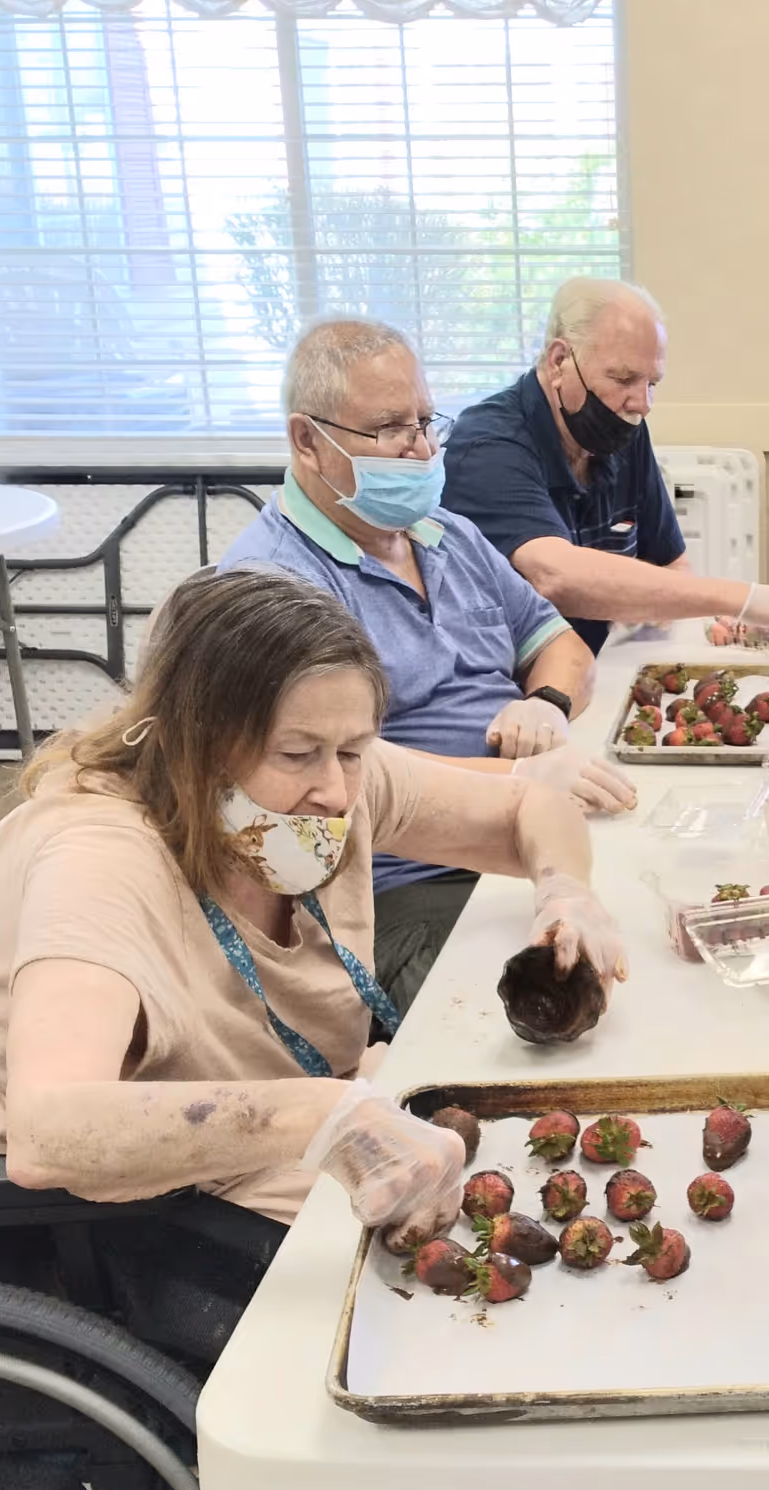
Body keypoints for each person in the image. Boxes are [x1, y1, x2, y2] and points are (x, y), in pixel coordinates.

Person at [0, 568, 626, 1277]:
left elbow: (530, 807)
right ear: (196, 742)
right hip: (67, 1221)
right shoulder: (99, 858)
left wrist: (566, 892)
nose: (338, 791)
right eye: (299, 755)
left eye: (353, 749)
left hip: (237, 1125)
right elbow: (49, 1132)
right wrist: (322, 1116)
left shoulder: (332, 773)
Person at [220, 316, 635, 1014]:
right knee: (568, 1015)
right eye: (389, 429)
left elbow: (562, 647)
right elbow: (328, 788)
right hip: (405, 887)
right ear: (306, 440)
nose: (418, 449)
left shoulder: (445, 535)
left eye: (423, 421)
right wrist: (518, 776)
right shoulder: (277, 591)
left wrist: (547, 708)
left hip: (533, 835)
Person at [444, 278, 769, 654]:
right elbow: (554, 576)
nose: (641, 404)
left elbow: (673, 564)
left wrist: (670, 611)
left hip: (601, 667)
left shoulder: (622, 432)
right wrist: (745, 598)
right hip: (512, 691)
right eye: (624, 378)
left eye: (652, 383)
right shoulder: (488, 443)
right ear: (559, 361)